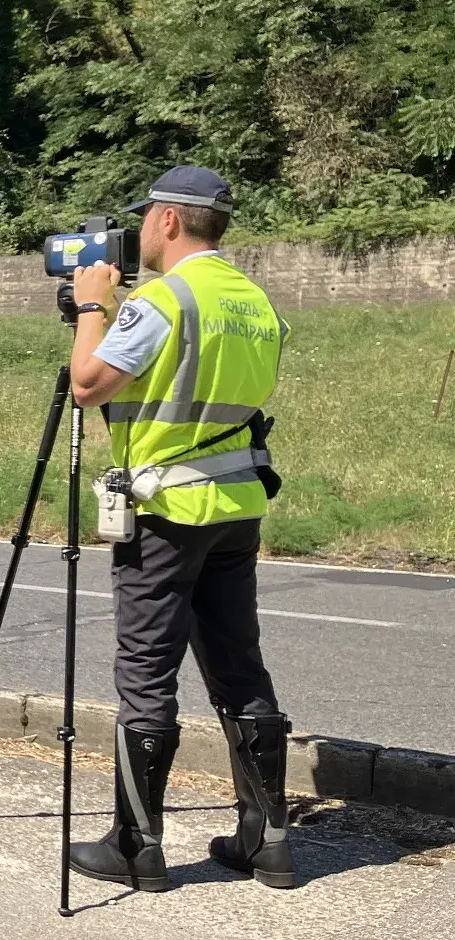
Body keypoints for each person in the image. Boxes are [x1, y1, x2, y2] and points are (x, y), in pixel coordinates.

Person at [63, 165, 295, 892]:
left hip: (165, 513)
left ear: (168, 219)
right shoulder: (252, 299)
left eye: (146, 220)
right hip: (235, 507)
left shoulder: (164, 300)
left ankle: (138, 845)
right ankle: (269, 841)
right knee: (239, 670)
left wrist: (93, 310)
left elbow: (89, 385)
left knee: (145, 676)